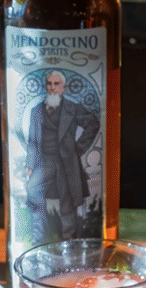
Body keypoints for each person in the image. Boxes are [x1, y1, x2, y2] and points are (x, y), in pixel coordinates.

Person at [23, 69, 101, 240]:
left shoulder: (72, 108)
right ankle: (39, 238)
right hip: (44, 161)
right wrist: (30, 163)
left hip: (66, 162)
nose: (52, 88)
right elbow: (32, 140)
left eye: (56, 84)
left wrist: (77, 149)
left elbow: (93, 123)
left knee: (68, 202)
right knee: (32, 189)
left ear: (63, 87)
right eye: (49, 84)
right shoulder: (36, 111)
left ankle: (69, 240)